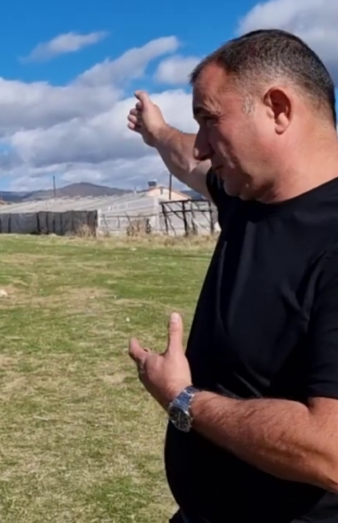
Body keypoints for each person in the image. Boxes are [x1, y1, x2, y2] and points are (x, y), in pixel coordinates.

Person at [126, 28, 338, 522]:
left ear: (278, 109)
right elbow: (187, 158)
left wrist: (183, 399)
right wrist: (156, 131)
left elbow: (331, 451)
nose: (200, 146)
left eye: (209, 119)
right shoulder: (248, 196)